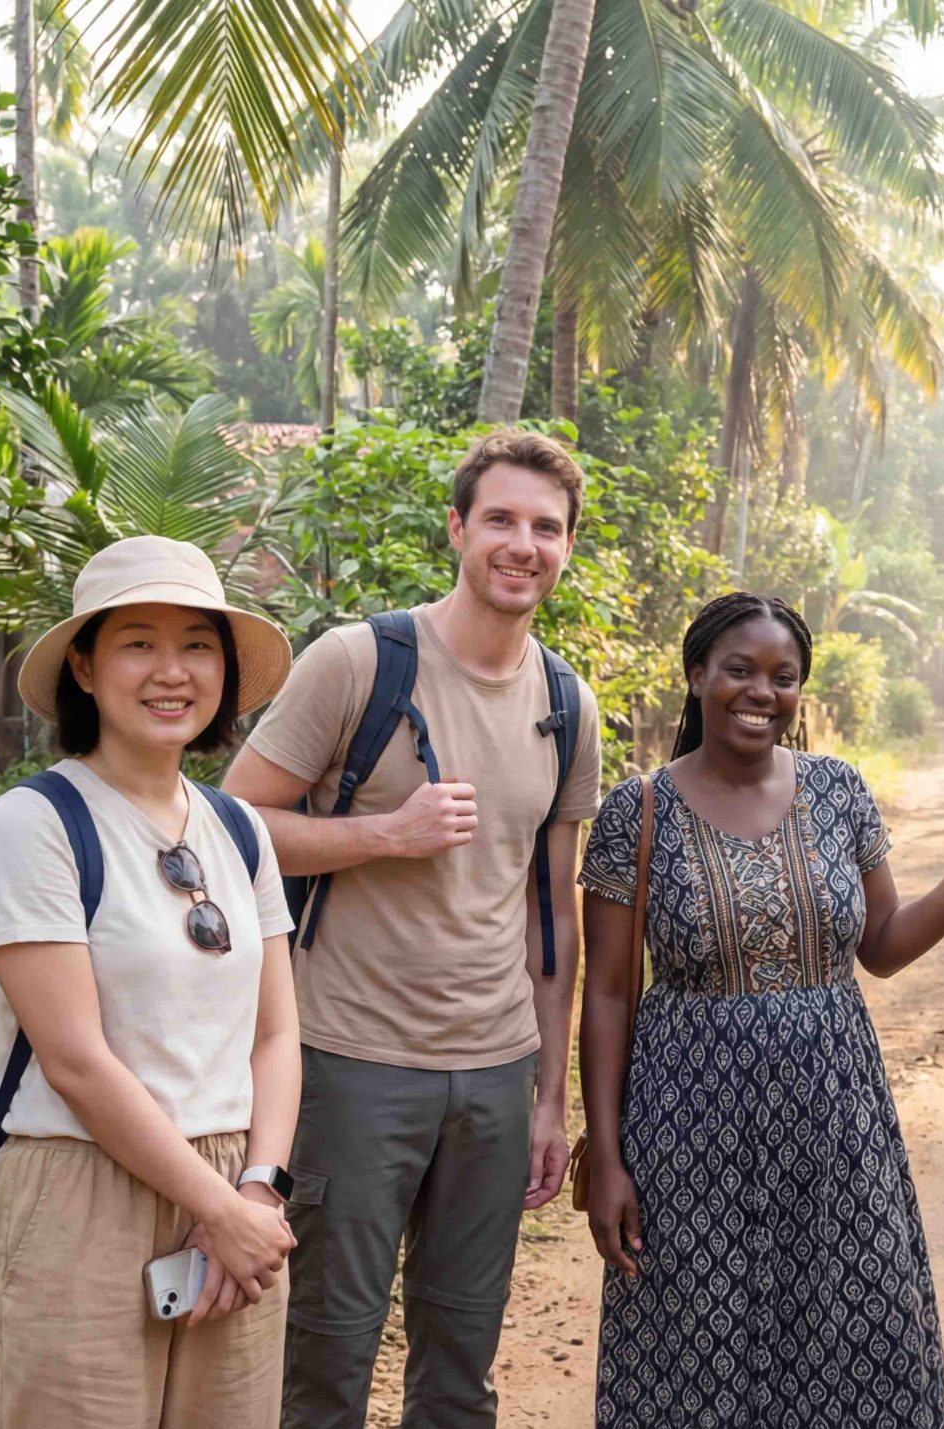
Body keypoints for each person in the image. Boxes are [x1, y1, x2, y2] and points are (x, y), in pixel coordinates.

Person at [577, 592, 944, 1427]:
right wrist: (605, 1156)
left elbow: (885, 945)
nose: (762, 691)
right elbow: (606, 993)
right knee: (691, 1345)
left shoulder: (837, 791)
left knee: (862, 1333)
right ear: (697, 675)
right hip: (683, 1130)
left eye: (783, 677)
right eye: (740, 670)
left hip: (835, 1122)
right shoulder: (637, 814)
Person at [222, 430, 603, 1427]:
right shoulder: (358, 663)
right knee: (326, 1358)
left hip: (493, 1072)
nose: (524, 544)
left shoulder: (569, 704)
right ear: (457, 529)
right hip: (349, 1059)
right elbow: (231, 827)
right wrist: (382, 832)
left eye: (546, 528)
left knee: (460, 1367)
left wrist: (548, 1099)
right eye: (503, 520)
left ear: (567, 546)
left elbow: (551, 916)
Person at [0, 535, 300, 1427]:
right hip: (80, 1185)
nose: (172, 670)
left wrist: (257, 1192)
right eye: (138, 642)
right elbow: (73, 1058)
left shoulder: (241, 830)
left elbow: (275, 1034)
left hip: (239, 1188)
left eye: (197, 643)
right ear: (84, 663)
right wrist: (217, 1208)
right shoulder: (33, 823)